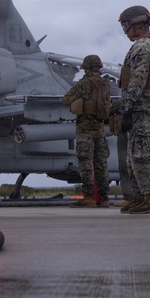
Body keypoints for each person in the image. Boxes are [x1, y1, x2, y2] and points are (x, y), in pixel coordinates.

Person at [116, 5, 150, 215]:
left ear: (137, 26)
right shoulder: (148, 44)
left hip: (143, 108)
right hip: (142, 107)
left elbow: (137, 80)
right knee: (133, 156)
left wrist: (127, 106)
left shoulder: (143, 47)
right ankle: (139, 197)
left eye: (126, 26)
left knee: (143, 154)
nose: (125, 31)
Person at [61, 54, 111, 208]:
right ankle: (103, 197)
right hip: (100, 130)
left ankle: (88, 196)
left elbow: (66, 99)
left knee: (85, 163)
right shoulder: (105, 83)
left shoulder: (84, 83)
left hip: (85, 130)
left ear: (86, 68)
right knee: (100, 164)